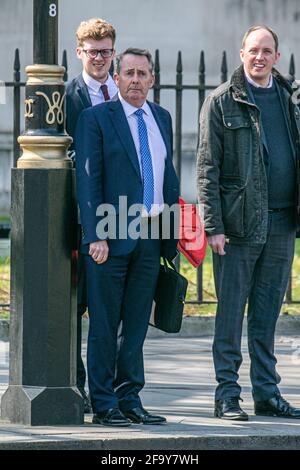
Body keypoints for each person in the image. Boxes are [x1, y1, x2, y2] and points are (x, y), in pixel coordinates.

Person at [197, 25, 300, 421]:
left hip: (282, 223)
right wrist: (214, 227)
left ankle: (267, 393)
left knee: (266, 313)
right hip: (237, 227)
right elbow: (207, 168)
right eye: (253, 50)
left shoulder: (291, 98)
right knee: (229, 315)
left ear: (277, 56)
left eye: (267, 50)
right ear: (242, 54)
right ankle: (226, 395)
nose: (259, 56)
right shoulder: (222, 102)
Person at [75, 48, 179, 426]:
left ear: (152, 79)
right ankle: (103, 404)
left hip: (151, 235)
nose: (135, 80)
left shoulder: (162, 117)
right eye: (129, 73)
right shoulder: (96, 118)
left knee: (135, 324)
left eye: (142, 74)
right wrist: (95, 235)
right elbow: (88, 181)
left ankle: (129, 398)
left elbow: (166, 175)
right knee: (104, 323)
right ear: (117, 78)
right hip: (110, 235)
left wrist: (173, 233)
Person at [66, 17, 118, 413]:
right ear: (79, 52)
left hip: (122, 218)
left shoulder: (125, 93)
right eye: (92, 51)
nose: (99, 58)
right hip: (80, 219)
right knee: (76, 306)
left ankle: (111, 389)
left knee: (111, 311)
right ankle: (77, 386)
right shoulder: (67, 96)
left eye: (105, 51)